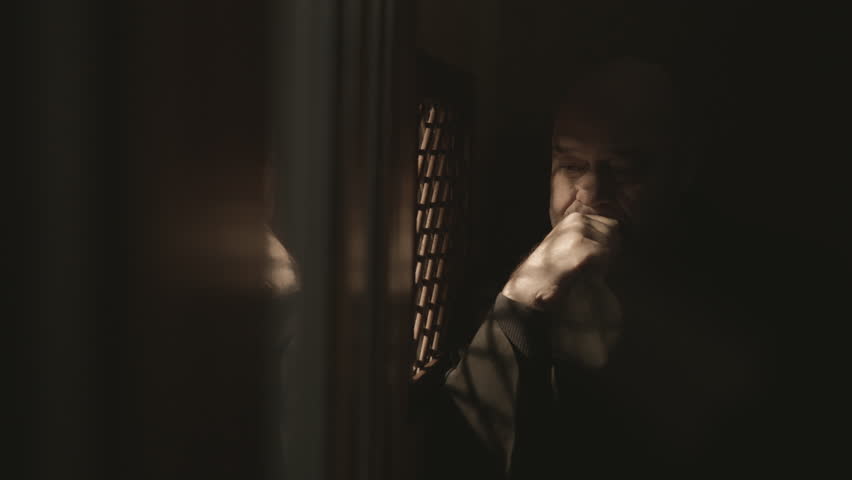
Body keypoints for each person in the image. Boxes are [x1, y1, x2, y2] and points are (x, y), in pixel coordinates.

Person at [415, 58, 778, 478]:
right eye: (570, 165)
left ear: (683, 171)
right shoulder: (495, 288)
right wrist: (518, 305)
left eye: (624, 169)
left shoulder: (755, 299)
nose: (591, 194)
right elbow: (456, 457)